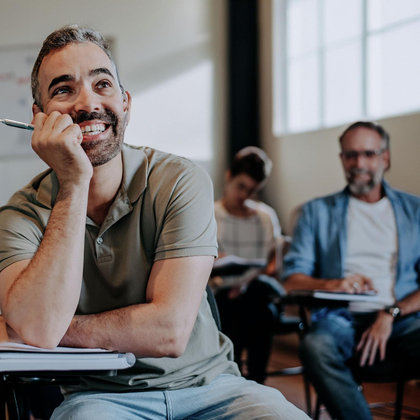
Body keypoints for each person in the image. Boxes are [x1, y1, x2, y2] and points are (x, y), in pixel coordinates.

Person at [0, 25, 309, 420]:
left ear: (125, 102)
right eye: (63, 90)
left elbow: (168, 332)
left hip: (213, 387)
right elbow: (39, 329)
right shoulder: (20, 215)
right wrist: (74, 182)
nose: (86, 103)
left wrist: (40, 328)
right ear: (39, 117)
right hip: (98, 398)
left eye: (102, 84)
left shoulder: (180, 180)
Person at [283, 121, 420, 420]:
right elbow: (291, 282)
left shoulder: (415, 211)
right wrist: (336, 284)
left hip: (402, 321)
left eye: (368, 154)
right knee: (315, 346)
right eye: (350, 155)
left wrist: (392, 312)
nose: (359, 164)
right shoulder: (316, 212)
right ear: (342, 159)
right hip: (339, 320)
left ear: (385, 158)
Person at [212, 146, 284, 384]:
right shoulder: (209, 214)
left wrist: (244, 284)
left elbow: (272, 266)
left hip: (252, 290)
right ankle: (255, 382)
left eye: (252, 191)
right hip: (221, 295)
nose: (244, 196)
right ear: (229, 176)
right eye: (241, 187)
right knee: (261, 312)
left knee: (256, 303)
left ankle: (235, 379)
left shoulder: (265, 217)